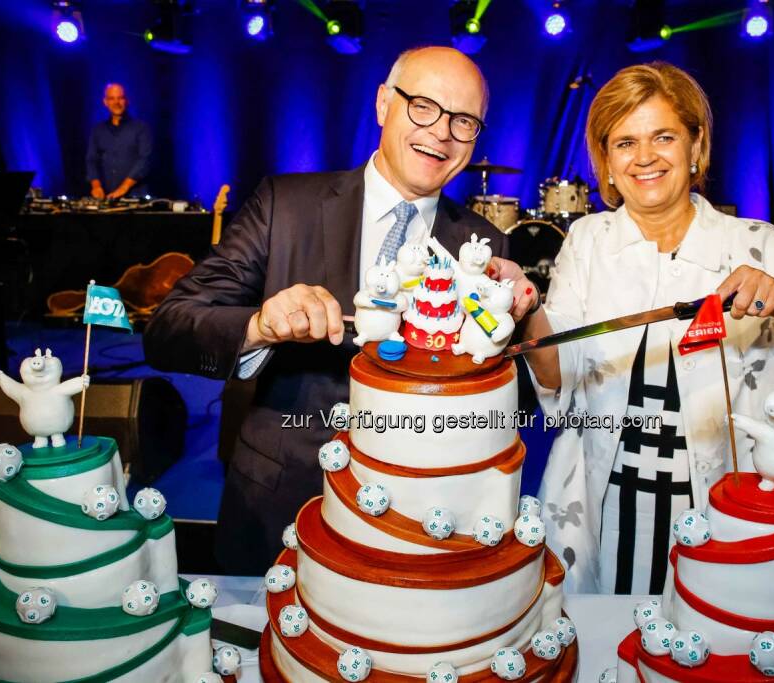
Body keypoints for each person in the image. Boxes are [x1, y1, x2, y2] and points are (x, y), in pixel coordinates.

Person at [144, 47, 539, 574]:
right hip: (282, 503)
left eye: (463, 121)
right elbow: (169, 327)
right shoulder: (285, 205)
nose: (441, 133)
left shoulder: (483, 245)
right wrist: (260, 325)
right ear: (383, 104)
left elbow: (511, 401)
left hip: (422, 522)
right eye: (423, 106)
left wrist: (523, 313)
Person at [520, 62, 774, 594]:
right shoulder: (588, 240)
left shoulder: (757, 244)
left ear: (696, 147)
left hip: (720, 508)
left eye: (664, 136)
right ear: (605, 162)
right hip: (600, 499)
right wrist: (529, 309)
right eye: (624, 143)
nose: (644, 157)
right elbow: (560, 372)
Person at [86, 83, 152, 199]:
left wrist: (123, 188)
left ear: (126, 101)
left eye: (120, 98)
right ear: (105, 102)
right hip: (106, 197)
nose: (116, 103)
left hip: (134, 197)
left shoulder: (141, 128)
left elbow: (145, 160)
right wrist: (96, 186)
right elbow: (91, 160)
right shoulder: (98, 130)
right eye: (112, 99)